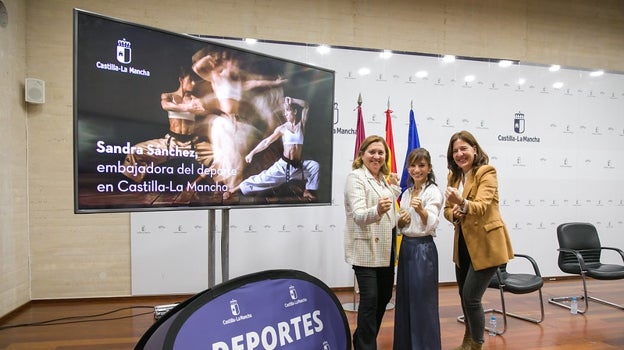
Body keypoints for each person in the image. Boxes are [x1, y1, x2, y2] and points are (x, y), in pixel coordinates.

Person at [443, 130, 514, 350]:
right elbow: (447, 210)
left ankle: (477, 345)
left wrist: (461, 204)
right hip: (463, 245)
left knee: (471, 297)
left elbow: (481, 206)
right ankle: (468, 340)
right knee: (464, 297)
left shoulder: (486, 172)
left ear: (475, 149)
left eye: (464, 148)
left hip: (486, 245)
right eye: (455, 150)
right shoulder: (453, 177)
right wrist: (454, 213)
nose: (459, 154)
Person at [343, 135, 401, 350]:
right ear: (362, 155)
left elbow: (388, 208)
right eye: (372, 152)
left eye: (381, 153)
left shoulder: (383, 179)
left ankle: (360, 340)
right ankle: (366, 347)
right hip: (365, 248)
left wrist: (394, 189)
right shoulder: (355, 177)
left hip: (386, 249)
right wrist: (377, 210)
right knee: (370, 300)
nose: (377, 156)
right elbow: (358, 214)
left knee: (384, 297)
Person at [122, 66, 214, 183]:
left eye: (195, 80)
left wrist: (194, 107)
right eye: (190, 80)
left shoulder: (195, 100)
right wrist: (186, 107)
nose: (194, 83)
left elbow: (202, 109)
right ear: (181, 80)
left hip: (192, 144)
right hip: (171, 143)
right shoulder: (168, 96)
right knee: (136, 150)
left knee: (224, 155)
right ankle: (132, 186)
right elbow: (165, 105)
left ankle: (214, 186)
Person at [222, 96, 319, 201]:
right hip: (283, 167)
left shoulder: (301, 125)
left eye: (287, 110)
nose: (285, 114)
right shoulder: (282, 129)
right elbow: (266, 142)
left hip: (298, 167)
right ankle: (232, 190)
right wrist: (252, 153)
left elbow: (306, 106)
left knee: (314, 166)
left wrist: (293, 100)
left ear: (294, 111)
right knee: (260, 179)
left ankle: (308, 191)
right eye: (284, 112)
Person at [393, 148, 443, 350]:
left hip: (423, 250)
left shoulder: (433, 192)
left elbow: (431, 223)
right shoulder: (406, 193)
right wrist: (401, 221)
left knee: (423, 302)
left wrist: (422, 211)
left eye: (421, 165)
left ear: (429, 168)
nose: (417, 170)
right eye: (413, 165)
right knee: (405, 301)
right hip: (406, 248)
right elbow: (401, 226)